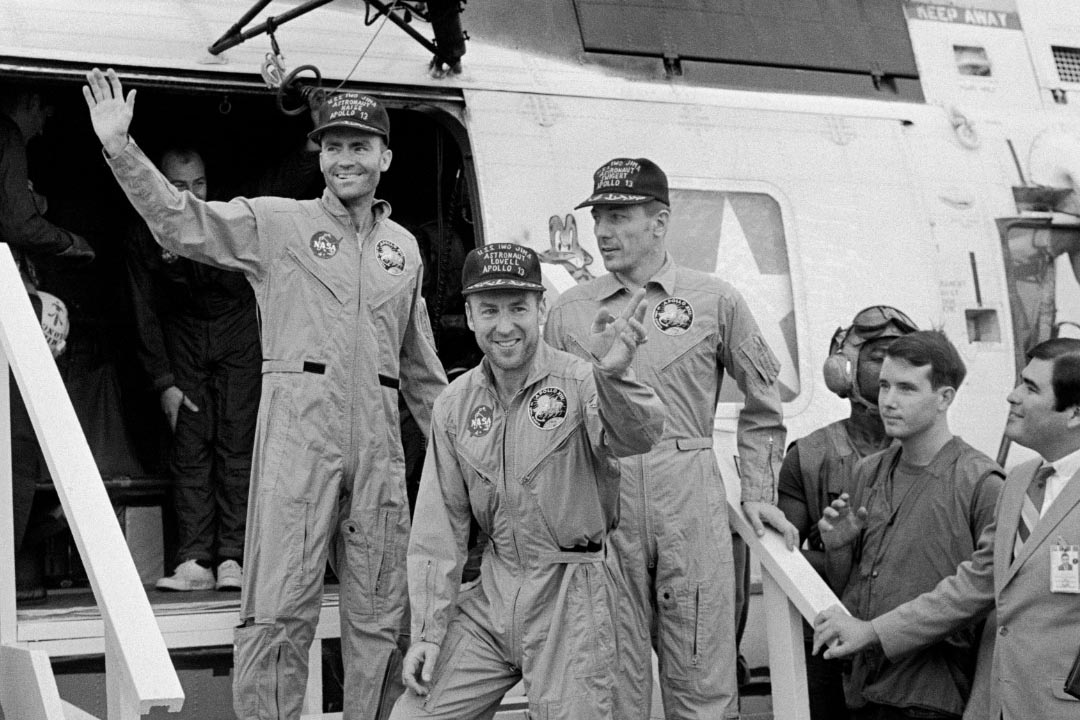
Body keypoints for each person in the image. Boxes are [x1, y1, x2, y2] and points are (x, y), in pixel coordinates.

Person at [83, 69, 448, 719]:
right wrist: (121, 149)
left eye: (360, 145)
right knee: (277, 616)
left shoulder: (404, 250)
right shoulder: (278, 223)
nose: (345, 159)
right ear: (320, 154)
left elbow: (422, 373)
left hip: (380, 455)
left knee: (382, 625)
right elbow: (180, 223)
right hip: (297, 443)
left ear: (385, 157)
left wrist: (475, 458)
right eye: (333, 145)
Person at [543, 157, 797, 719]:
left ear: (660, 222)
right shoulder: (568, 313)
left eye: (619, 215)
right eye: (598, 217)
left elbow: (764, 403)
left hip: (689, 497)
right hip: (605, 503)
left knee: (704, 680)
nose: (603, 231)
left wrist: (758, 491)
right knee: (613, 686)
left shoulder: (716, 300)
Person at [390, 243, 665, 719]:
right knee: (415, 714)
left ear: (540, 309)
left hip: (573, 595)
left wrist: (615, 375)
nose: (505, 325)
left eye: (519, 308)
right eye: (489, 310)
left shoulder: (582, 380)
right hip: (496, 591)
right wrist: (430, 633)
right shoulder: (454, 406)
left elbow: (637, 435)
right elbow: (439, 529)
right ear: (470, 317)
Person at [815, 337, 1080, 720]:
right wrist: (873, 631)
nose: (1012, 396)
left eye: (1030, 387)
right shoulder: (1021, 483)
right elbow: (973, 585)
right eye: (1020, 381)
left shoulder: (981, 479)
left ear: (1074, 413)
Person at [0, 81, 94, 602]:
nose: (44, 124)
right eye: (44, 113)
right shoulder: (4, 131)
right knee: (15, 436)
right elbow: (17, 222)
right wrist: (73, 242)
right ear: (27, 103)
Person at [816, 331, 1004, 719]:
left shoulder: (982, 483)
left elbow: (985, 593)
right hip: (863, 691)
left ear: (944, 398)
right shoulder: (868, 472)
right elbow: (849, 588)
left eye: (906, 388)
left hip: (931, 696)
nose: (888, 401)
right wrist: (837, 549)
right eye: (884, 385)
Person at [125, 146, 262, 592]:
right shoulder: (145, 227)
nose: (191, 195)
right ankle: (194, 560)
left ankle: (234, 559)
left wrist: (308, 151)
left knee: (238, 443)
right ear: (162, 184)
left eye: (198, 184)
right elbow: (142, 309)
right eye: (179, 186)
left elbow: (279, 187)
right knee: (189, 446)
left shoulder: (230, 218)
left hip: (237, 332)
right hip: (181, 335)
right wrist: (162, 381)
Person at [777, 305, 918, 716]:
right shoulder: (808, 456)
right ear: (845, 369)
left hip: (910, 639)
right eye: (879, 357)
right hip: (831, 638)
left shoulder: (938, 459)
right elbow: (788, 564)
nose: (892, 370)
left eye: (904, 359)